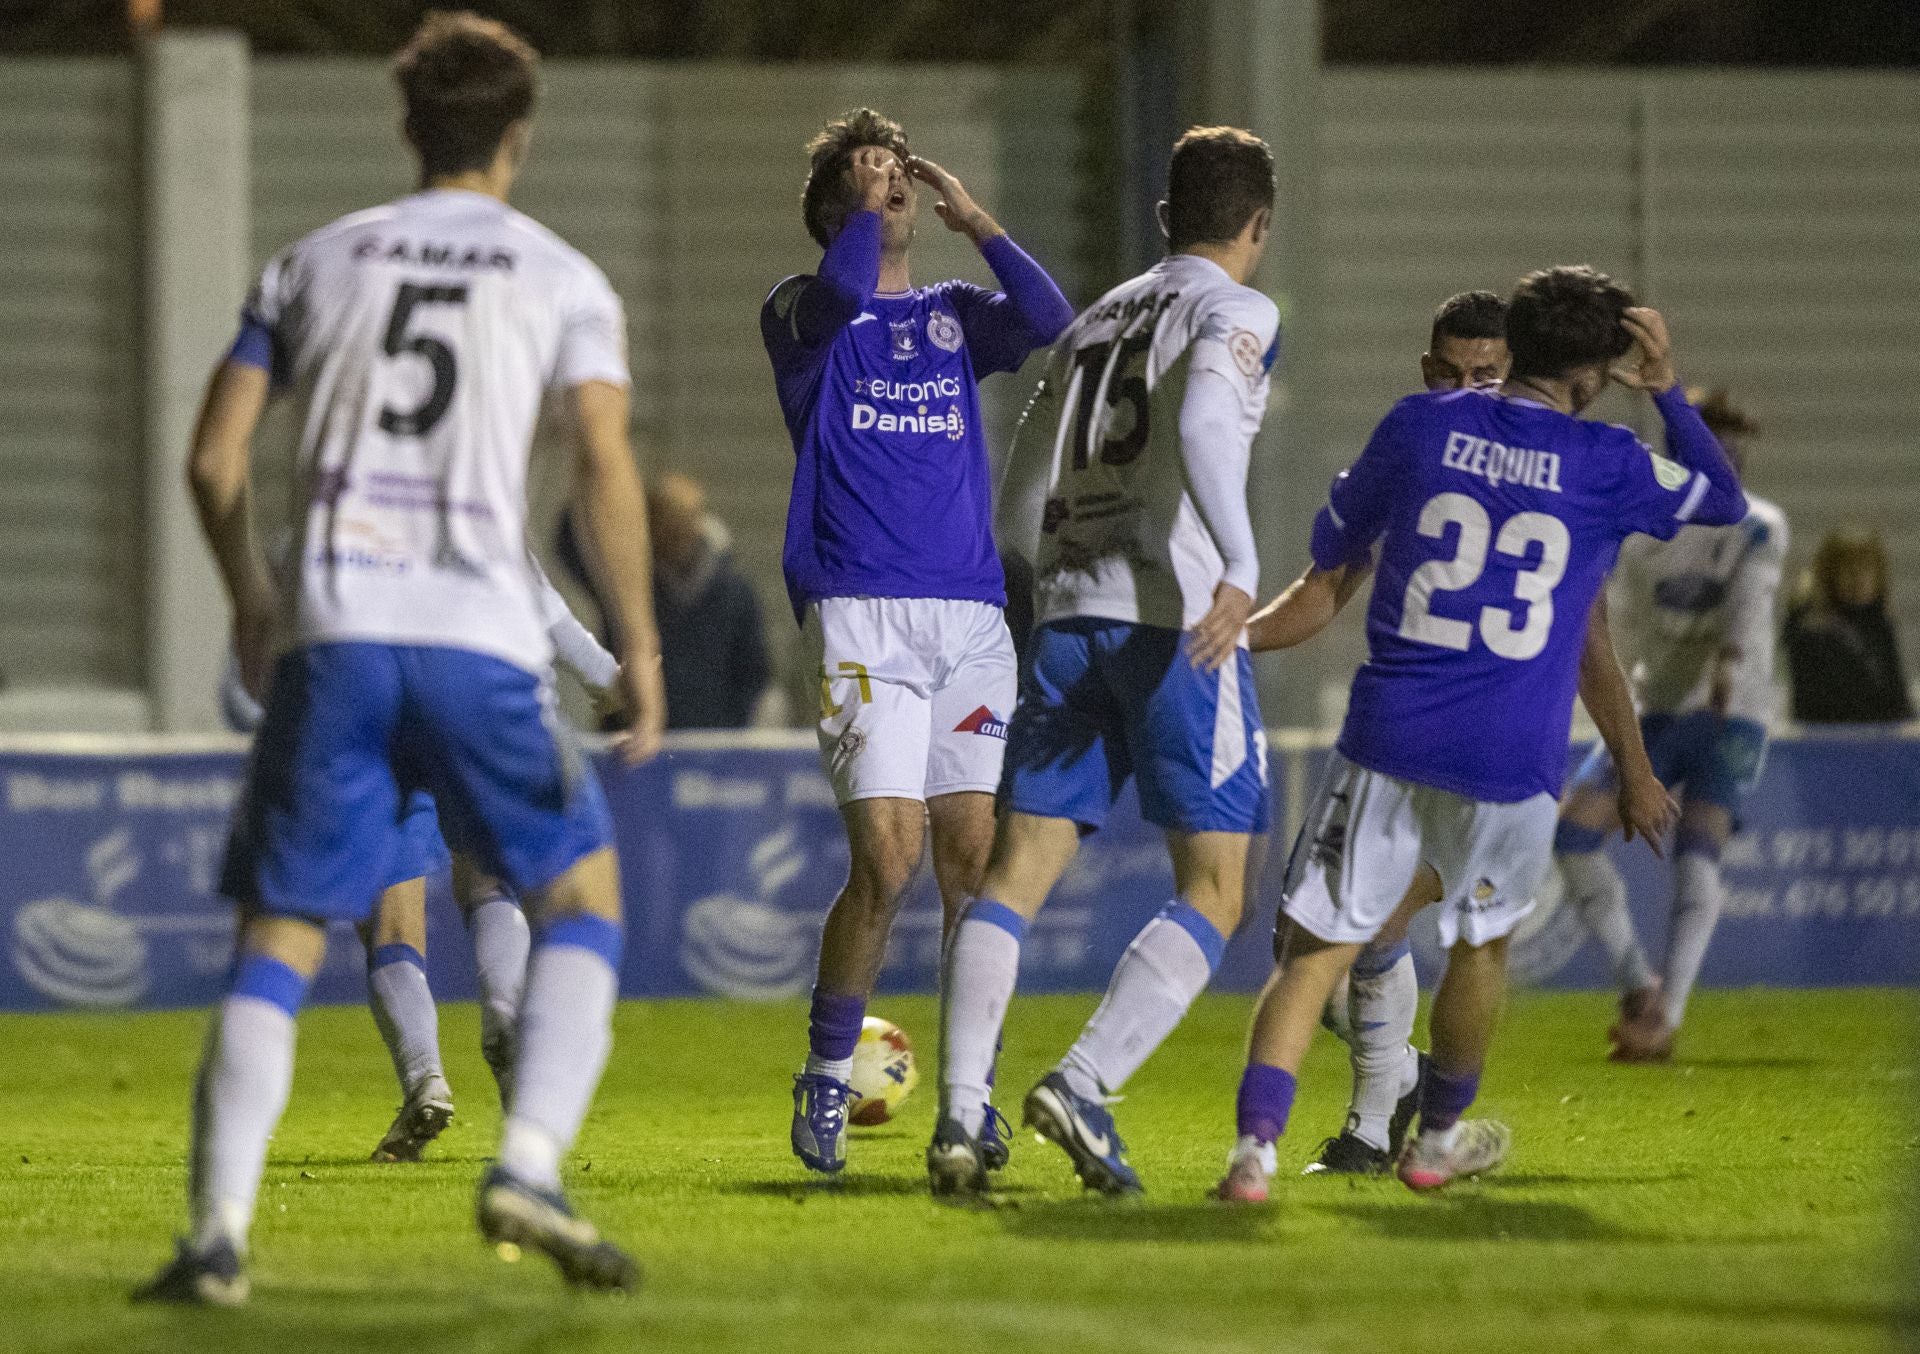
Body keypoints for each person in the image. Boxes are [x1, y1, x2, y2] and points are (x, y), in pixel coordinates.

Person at [136, 12, 664, 1303]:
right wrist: (638, 644)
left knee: (279, 936)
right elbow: (601, 460)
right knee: (583, 900)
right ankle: (528, 1163)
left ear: (407, 125)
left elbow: (211, 459)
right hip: (481, 641)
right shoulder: (561, 278)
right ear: (517, 135)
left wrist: (251, 597)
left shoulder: (315, 261)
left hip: (335, 636)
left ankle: (217, 1236)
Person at [1214, 269, 1743, 1204]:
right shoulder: (1608, 460)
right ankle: (1436, 1141)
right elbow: (1721, 497)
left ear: (1515, 347)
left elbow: (1334, 550)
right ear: (1595, 372)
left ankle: (1255, 1154)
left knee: (1315, 952)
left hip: (1391, 734)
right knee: (1479, 949)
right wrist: (1666, 388)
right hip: (1512, 754)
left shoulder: (1419, 427)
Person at [927, 126, 1281, 1199]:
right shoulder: (1236, 309)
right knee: (1216, 889)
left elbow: (1022, 482)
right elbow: (1208, 419)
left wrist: (1044, 584)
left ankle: (959, 1116)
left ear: (1169, 216)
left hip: (1070, 616)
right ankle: (1082, 1083)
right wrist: (1241, 561)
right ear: (1258, 225)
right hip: (1175, 623)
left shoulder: (1091, 321)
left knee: (1013, 877)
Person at [761, 108, 1072, 1176]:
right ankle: (825, 1071)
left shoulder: (951, 314)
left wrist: (976, 221)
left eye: (896, 169)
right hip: (859, 610)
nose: (890, 181)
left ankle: (968, 1101)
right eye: (867, 172)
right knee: (887, 861)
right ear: (834, 210)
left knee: (974, 861)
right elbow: (841, 291)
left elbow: (1049, 317)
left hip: (971, 617)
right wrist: (860, 203)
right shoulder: (802, 311)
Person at [219, 551, 621, 1159]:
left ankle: (423, 1078)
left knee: (384, 924)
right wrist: (612, 677)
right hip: (472, 688)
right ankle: (506, 1014)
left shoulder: (329, 526)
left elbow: (252, 681)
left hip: (365, 697)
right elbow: (547, 609)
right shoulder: (475, 515)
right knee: (502, 881)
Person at [1556, 389, 1789, 1062]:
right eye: (1718, 444)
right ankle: (1637, 984)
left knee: (1698, 845)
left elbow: (1750, 603)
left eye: (1736, 445)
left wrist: (1730, 664)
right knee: (1573, 834)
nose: (1732, 456)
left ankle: (1666, 1017)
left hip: (1730, 712)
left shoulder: (1759, 524)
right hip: (1653, 707)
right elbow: (1619, 622)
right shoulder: (1642, 530)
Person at [648, 471, 771, 729]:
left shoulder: (735, 594)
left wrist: (731, 728)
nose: (677, 537)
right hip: (646, 738)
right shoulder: (639, 593)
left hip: (717, 739)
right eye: (669, 527)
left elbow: (754, 674)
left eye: (682, 525)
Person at [1783, 526, 1914, 723]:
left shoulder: (1881, 625)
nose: (1858, 578)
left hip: (1881, 736)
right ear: (1831, 574)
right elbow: (1816, 703)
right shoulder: (1811, 630)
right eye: (1848, 569)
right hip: (1828, 736)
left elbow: (1897, 697)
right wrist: (1798, 611)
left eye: (1867, 568)